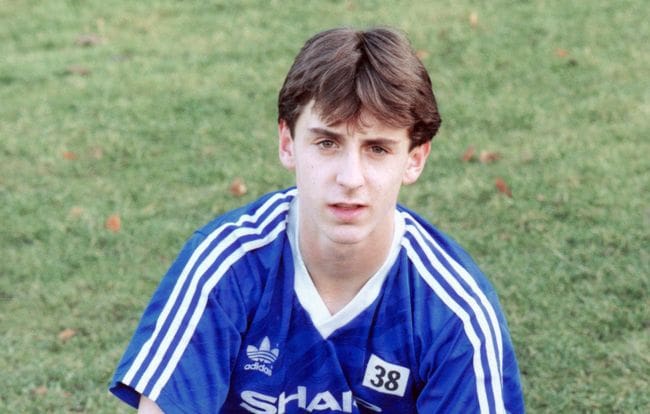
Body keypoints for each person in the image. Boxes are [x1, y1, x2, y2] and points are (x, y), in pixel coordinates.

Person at [109, 27, 525, 413]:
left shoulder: (453, 310)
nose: (350, 179)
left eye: (377, 149)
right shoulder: (225, 268)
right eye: (327, 142)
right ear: (288, 144)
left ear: (414, 160)